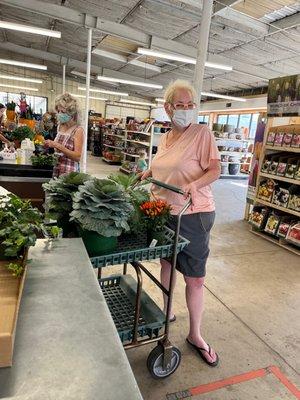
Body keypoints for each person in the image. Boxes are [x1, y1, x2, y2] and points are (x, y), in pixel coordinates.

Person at [141, 79, 221, 367]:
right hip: (164, 211)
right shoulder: (164, 138)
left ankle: (195, 335)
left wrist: (195, 185)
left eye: (191, 105)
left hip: (193, 214)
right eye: (180, 105)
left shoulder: (202, 134)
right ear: (168, 108)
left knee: (195, 277)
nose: (186, 110)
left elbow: (215, 169)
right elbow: (163, 164)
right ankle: (167, 310)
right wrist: (148, 171)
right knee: (166, 264)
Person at [44, 93, 84, 177]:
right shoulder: (60, 127)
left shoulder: (78, 130)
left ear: (72, 113)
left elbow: (77, 157)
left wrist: (58, 146)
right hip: (57, 169)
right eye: (58, 111)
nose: (59, 114)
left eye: (62, 112)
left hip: (69, 174)